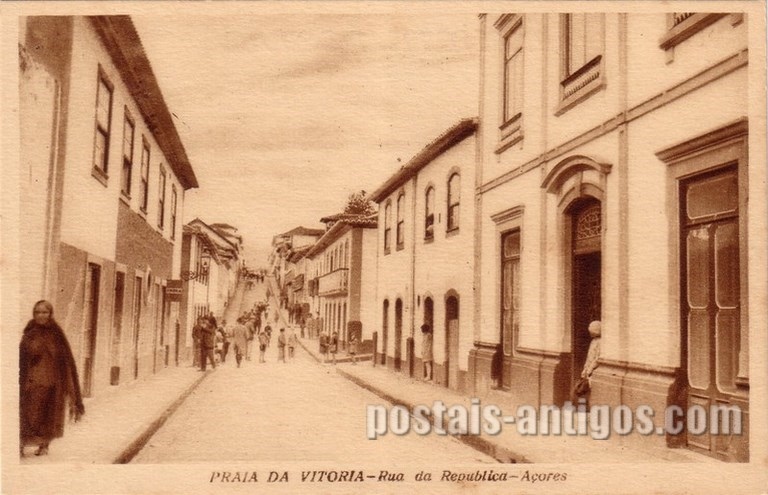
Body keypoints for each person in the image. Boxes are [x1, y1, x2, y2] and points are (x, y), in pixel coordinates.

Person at [19, 300, 85, 456]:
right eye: (37, 312)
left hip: (52, 383)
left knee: (47, 415)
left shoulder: (56, 334)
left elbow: (65, 360)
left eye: (44, 312)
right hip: (31, 382)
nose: (41, 315)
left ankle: (44, 445)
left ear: (50, 314)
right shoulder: (29, 332)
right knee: (27, 413)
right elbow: (21, 358)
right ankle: (20, 445)